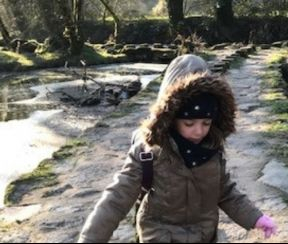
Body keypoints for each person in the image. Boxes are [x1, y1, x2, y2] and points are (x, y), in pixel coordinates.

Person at [78, 54, 277, 243]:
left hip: (204, 237)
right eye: (189, 124)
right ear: (171, 118)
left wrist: (256, 218)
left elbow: (226, 192)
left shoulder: (212, 150)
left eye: (206, 123)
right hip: (159, 237)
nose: (199, 131)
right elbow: (116, 199)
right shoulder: (148, 153)